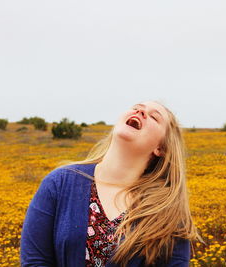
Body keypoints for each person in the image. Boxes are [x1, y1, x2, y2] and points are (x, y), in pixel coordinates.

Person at [20, 101, 204, 267]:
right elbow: (35, 262)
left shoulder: (167, 211)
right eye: (136, 107)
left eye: (154, 117)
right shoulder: (59, 183)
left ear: (161, 148)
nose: (140, 111)